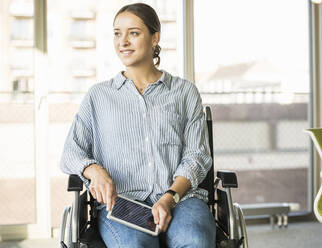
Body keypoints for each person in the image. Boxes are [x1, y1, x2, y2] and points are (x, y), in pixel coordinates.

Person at [60, 3, 215, 247]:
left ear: (155, 38)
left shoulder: (184, 92)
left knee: (194, 240)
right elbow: (71, 152)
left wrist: (169, 197)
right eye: (117, 33)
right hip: (123, 202)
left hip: (181, 200)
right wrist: (94, 170)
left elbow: (197, 155)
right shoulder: (98, 96)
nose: (123, 41)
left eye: (133, 33)